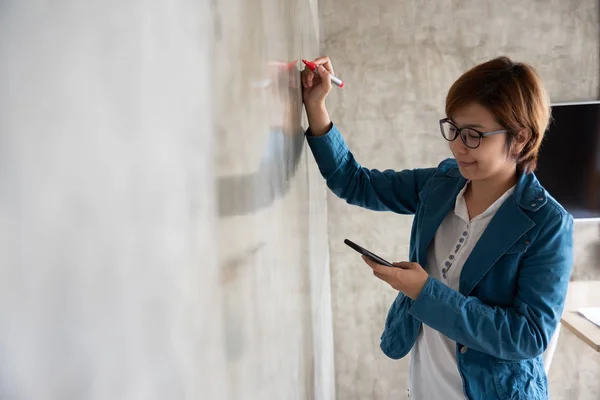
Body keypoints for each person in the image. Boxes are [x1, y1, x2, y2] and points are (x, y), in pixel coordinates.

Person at [301, 56, 573, 400]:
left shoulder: (547, 223)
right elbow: (356, 183)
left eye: (474, 135)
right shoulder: (443, 182)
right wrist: (316, 105)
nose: (458, 145)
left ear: (519, 138)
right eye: (454, 129)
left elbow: (528, 336)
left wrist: (424, 291)